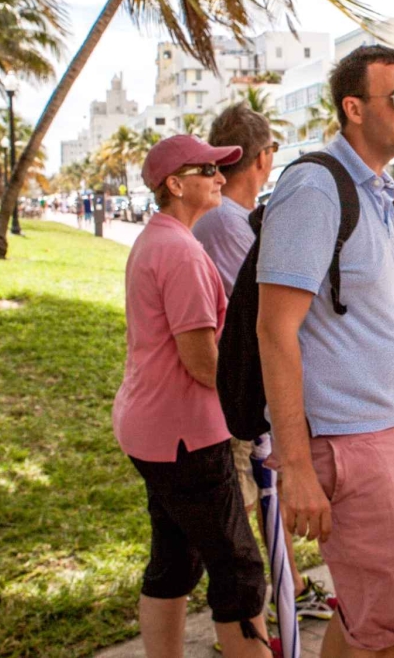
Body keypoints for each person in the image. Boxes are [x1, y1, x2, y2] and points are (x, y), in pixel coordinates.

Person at [256, 45, 394, 658]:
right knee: (391, 630)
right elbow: (275, 330)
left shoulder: (370, 188)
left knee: (363, 616)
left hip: (384, 431)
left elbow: (360, 306)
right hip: (347, 444)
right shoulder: (316, 188)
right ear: (353, 108)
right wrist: (295, 467)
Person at [112, 135, 272, 658]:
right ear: (176, 184)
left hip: (152, 430)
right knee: (240, 570)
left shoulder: (158, 239)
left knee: (175, 559)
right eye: (209, 170)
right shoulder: (180, 251)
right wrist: (260, 401)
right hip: (185, 437)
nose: (222, 179)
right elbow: (203, 362)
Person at [194, 103, 335, 623]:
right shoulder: (228, 223)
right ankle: (270, 604)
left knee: (259, 499)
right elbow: (264, 317)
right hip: (238, 392)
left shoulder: (224, 220)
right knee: (256, 501)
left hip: (234, 389)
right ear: (263, 157)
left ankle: (288, 589)